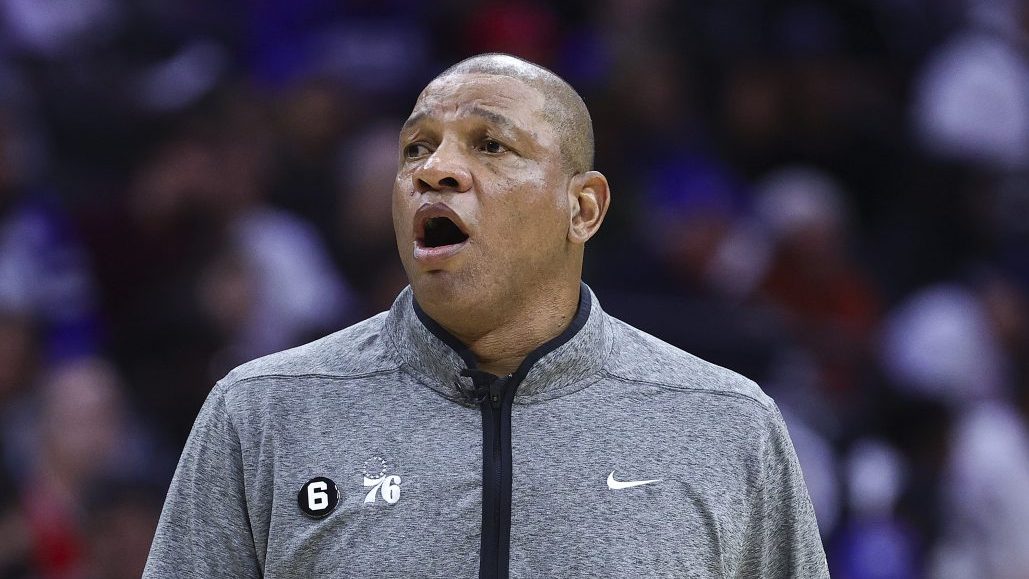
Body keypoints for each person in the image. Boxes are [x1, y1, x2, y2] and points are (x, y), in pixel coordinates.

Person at [143, 53, 829, 578]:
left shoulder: (724, 423)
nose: (434, 170)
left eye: (490, 145)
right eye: (416, 148)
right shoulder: (262, 412)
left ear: (582, 208)